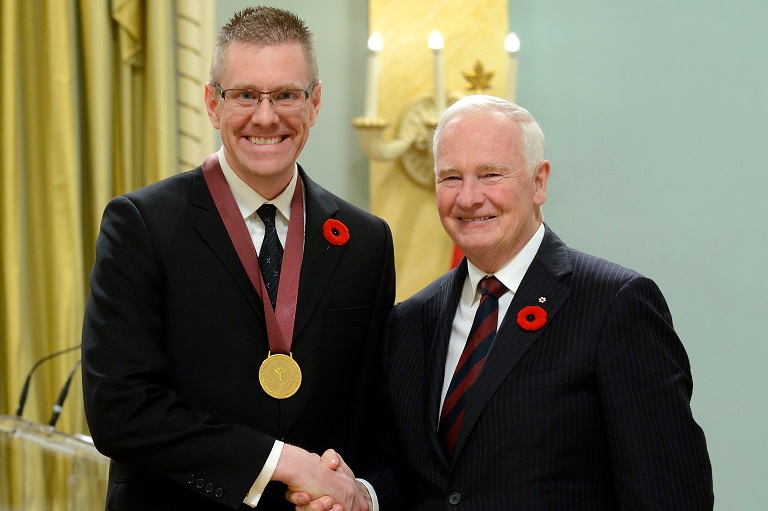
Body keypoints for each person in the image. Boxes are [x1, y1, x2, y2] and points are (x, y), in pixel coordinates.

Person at [81, 6, 394, 511]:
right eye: (245, 94)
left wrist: (361, 494)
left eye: (287, 95)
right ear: (211, 103)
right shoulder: (142, 225)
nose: (266, 116)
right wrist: (283, 463)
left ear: (315, 103)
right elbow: (120, 411)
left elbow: (380, 419)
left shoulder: (365, 241)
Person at [377, 95, 714, 509]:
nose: (468, 198)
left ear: (539, 182)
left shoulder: (615, 304)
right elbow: (411, 477)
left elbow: (672, 495)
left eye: (490, 174)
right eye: (450, 178)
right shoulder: (410, 321)